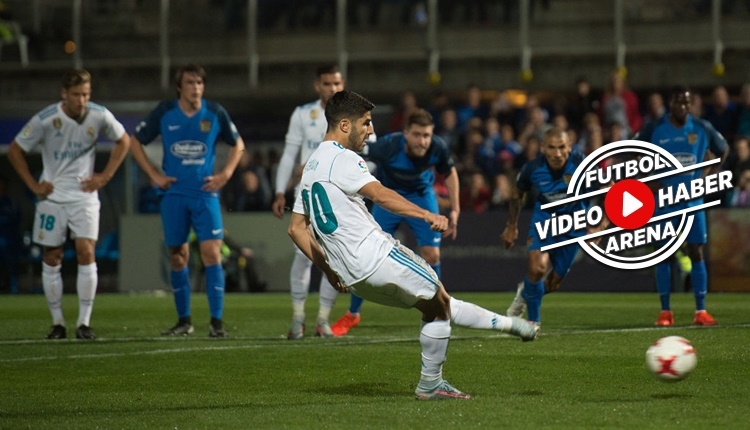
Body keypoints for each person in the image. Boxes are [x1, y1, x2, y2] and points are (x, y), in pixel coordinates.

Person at [288, 90, 539, 400]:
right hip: (377, 257)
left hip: (353, 276)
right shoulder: (342, 157)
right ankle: (434, 381)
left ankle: (511, 327)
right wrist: (426, 214)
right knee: (441, 303)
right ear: (343, 125)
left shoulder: (312, 166)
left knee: (435, 305)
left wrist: (328, 269)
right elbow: (380, 195)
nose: (370, 130)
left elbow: (296, 229)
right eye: (365, 123)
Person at [7, 69, 130, 339]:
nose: (82, 100)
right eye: (76, 94)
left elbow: (124, 140)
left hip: (84, 197)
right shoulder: (47, 119)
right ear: (64, 93)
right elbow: (15, 150)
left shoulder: (100, 115)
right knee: (53, 257)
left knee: (87, 252)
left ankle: (84, 324)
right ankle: (58, 323)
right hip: (52, 198)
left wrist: (106, 175)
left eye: (86, 94)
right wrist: (33, 185)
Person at [129, 64, 245, 338]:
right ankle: (184, 321)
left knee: (212, 254)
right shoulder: (165, 112)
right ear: (179, 87)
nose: (196, 88)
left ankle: (216, 323)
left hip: (205, 194)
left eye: (200, 83)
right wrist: (154, 175)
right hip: (174, 194)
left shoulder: (215, 112)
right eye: (191, 83)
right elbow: (134, 142)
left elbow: (238, 144)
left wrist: (225, 173)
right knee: (178, 256)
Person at [330, 108, 460, 336]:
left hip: (422, 195)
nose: (423, 141)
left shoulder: (438, 147)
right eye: (417, 135)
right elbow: (351, 150)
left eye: (427, 135)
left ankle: (438, 309)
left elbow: (449, 173)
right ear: (406, 133)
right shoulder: (388, 146)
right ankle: (353, 314)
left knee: (433, 255)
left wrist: (456, 208)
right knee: (366, 256)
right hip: (388, 198)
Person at [271, 64, 373, 339]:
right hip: (308, 189)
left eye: (337, 83)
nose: (332, 88)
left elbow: (369, 152)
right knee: (302, 255)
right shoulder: (304, 114)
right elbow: (290, 153)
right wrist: (280, 191)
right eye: (327, 83)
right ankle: (297, 318)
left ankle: (323, 320)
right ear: (318, 85)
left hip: (339, 193)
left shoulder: (352, 116)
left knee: (334, 254)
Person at [635, 86, 728, 327]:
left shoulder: (701, 127)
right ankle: (665, 312)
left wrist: (707, 175)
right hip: (664, 201)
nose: (683, 108)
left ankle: (701, 311)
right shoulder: (655, 128)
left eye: (687, 103)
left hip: (692, 199)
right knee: (663, 254)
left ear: (691, 104)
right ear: (671, 103)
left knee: (696, 252)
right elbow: (634, 152)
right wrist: (648, 178)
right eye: (679, 103)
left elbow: (723, 149)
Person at [502, 127, 605, 326]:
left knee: (552, 283)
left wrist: (600, 225)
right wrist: (511, 226)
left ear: (570, 147)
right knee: (537, 268)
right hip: (545, 220)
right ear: (543, 148)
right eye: (551, 148)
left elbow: (611, 191)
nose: (557, 154)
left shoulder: (583, 164)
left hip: (574, 224)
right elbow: (517, 192)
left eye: (562, 147)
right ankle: (533, 323)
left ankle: (523, 295)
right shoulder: (533, 168)